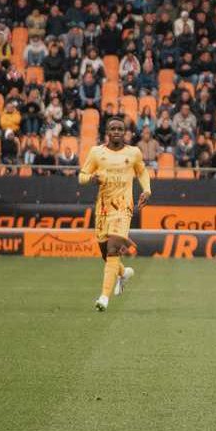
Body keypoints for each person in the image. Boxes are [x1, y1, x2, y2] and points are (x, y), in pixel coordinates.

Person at [78, 117, 151, 311]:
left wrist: (147, 190)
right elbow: (81, 176)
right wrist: (92, 178)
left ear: (125, 132)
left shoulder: (134, 153)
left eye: (120, 128)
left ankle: (104, 297)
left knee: (112, 249)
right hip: (103, 208)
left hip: (123, 208)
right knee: (105, 253)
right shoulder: (96, 153)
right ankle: (122, 273)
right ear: (107, 132)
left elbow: (142, 172)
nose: (117, 131)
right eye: (113, 129)